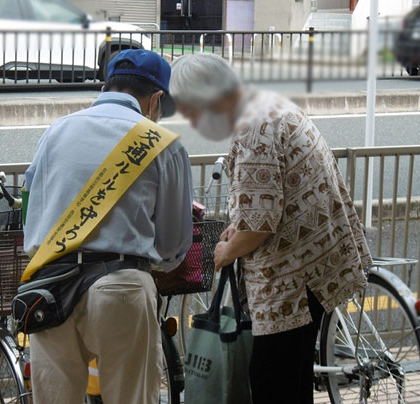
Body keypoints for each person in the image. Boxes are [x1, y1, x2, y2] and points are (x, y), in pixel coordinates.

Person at [170, 53, 372, 404]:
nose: (192, 119)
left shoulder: (252, 130)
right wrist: (239, 226)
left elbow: (259, 228)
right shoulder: (267, 106)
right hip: (318, 263)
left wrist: (225, 251)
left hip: (293, 280)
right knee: (292, 379)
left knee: (271, 382)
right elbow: (270, 202)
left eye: (190, 109)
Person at [23, 49, 193, 404]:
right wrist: (160, 261)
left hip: (51, 286)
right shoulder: (162, 144)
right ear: (156, 99)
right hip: (122, 284)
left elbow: (32, 214)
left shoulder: (56, 132)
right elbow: (173, 244)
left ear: (107, 85)